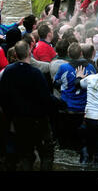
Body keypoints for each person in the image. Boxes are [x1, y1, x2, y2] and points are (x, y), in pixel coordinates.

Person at [0, 40, 57, 171]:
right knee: (46, 153)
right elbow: (46, 97)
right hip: (38, 120)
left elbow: (3, 96)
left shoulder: (8, 72)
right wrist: (59, 104)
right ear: (29, 53)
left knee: (26, 154)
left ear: (15, 53)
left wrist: (10, 117)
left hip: (19, 120)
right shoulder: (35, 73)